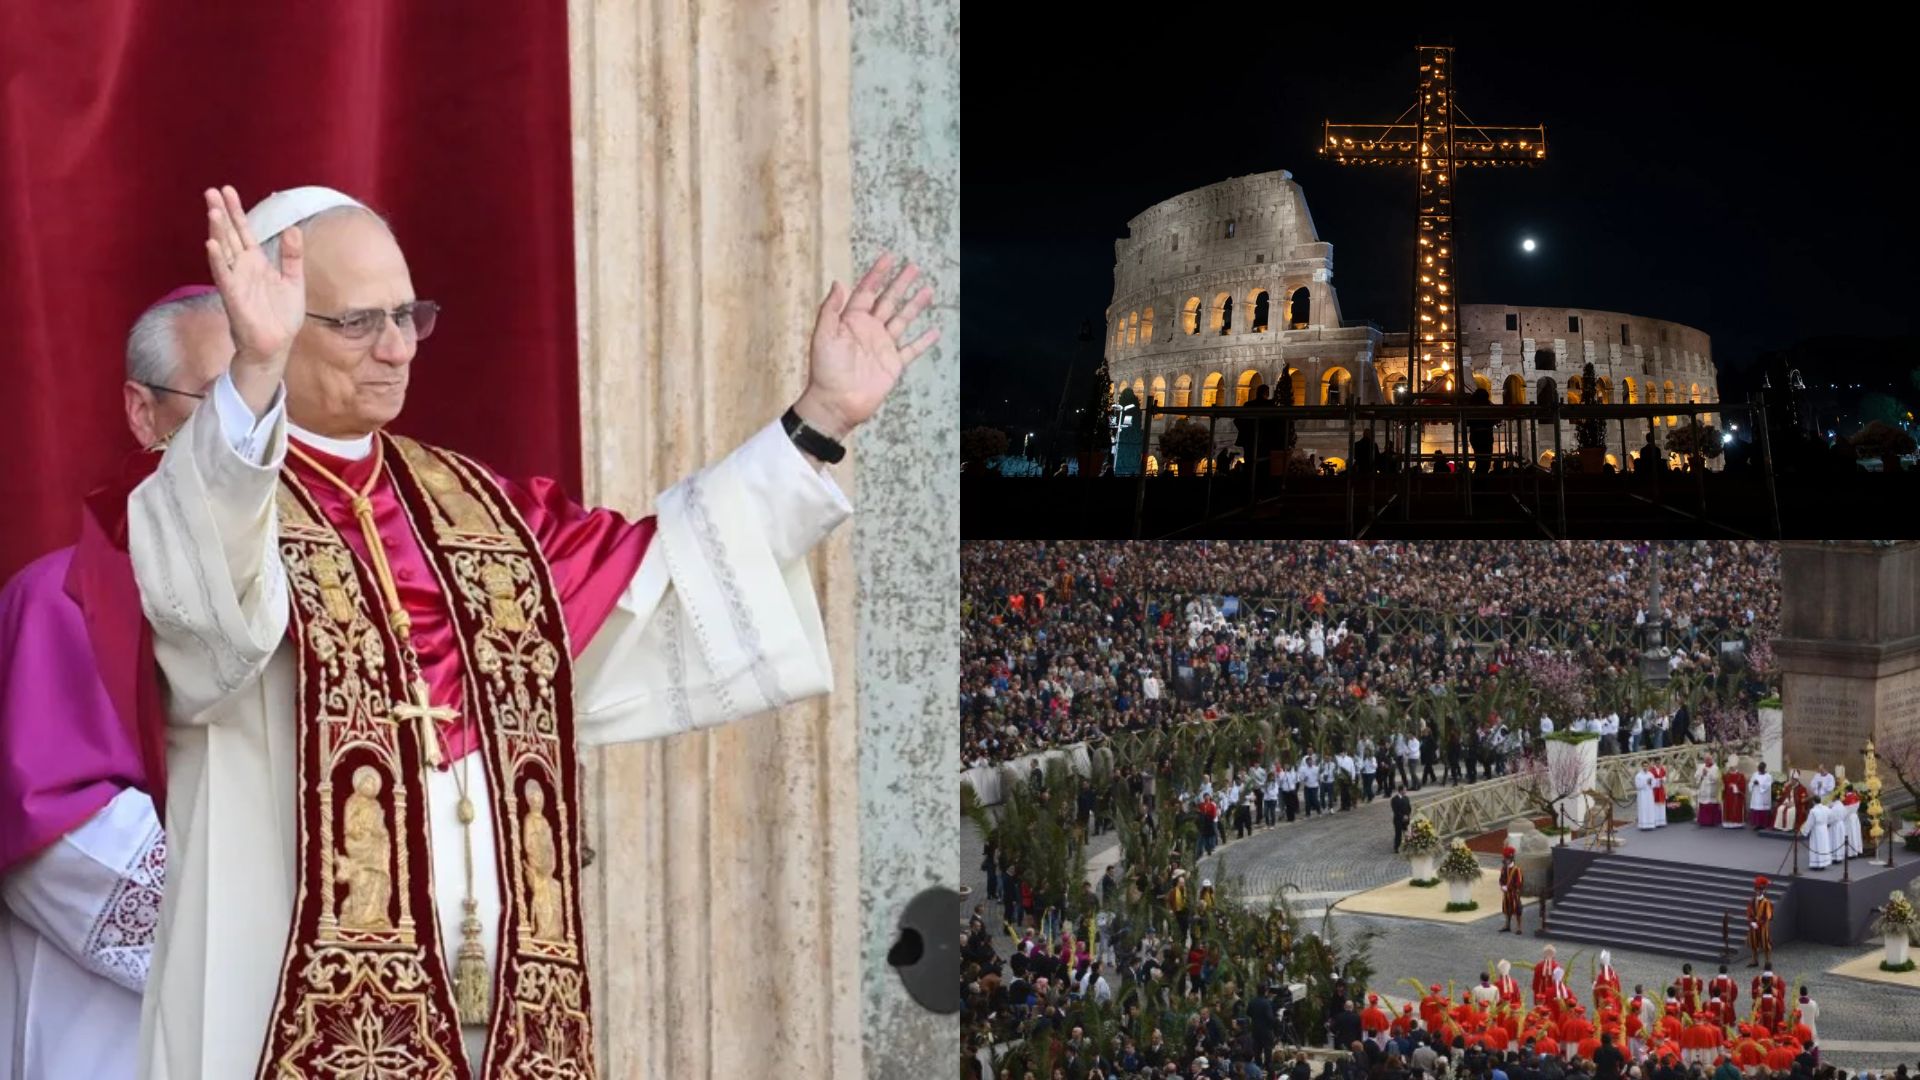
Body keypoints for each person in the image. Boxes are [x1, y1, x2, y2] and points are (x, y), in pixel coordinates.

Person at [127, 186, 937, 1078]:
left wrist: (819, 422)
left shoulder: (482, 513)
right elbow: (205, 614)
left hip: (504, 1012)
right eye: (358, 323)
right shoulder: (216, 496)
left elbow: (659, 576)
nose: (397, 348)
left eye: (408, 315)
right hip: (283, 1009)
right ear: (278, 323)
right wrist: (251, 373)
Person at [0, 287, 232, 1080]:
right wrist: (264, 921)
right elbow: (56, 835)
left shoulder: (336, 600)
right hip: (107, 1034)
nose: (257, 437)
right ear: (144, 411)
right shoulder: (61, 600)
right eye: (225, 400)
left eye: (277, 404)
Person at [1498, 847, 1524, 934]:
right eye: (1505, 858)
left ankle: (1519, 927)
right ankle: (1507, 925)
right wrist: (1502, 886)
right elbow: (1501, 879)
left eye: (1507, 858)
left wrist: (1509, 887)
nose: (1505, 860)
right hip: (1506, 893)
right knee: (1506, 909)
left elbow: (1519, 882)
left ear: (1511, 858)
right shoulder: (1504, 869)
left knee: (1517, 910)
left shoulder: (1517, 869)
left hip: (1514, 894)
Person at [1695, 754, 1723, 827]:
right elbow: (1696, 777)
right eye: (1706, 759)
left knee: (1712, 804)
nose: (1707, 761)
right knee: (1703, 804)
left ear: (1711, 760)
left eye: (1709, 759)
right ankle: (1703, 821)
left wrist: (1708, 774)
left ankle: (1713, 821)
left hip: (1712, 788)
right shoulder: (1701, 767)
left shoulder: (1716, 768)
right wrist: (1702, 774)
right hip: (1704, 788)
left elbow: (1717, 779)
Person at [1720, 755, 1747, 830]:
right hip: (1728, 795)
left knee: (1736, 808)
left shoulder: (1740, 776)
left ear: (1736, 766)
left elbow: (1743, 786)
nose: (1732, 768)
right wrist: (1722, 786)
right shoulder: (1726, 775)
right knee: (1728, 807)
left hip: (1736, 796)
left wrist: (1735, 786)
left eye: (1733, 767)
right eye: (1731, 767)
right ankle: (1728, 822)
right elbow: (1722, 784)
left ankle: (1737, 823)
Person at [1633, 765, 1661, 831]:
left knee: (1650, 808)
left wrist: (1652, 782)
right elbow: (1638, 785)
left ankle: (1650, 824)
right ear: (1642, 767)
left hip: (1649, 794)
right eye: (1644, 766)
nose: (1645, 767)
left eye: (1646, 766)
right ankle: (1643, 825)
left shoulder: (1650, 774)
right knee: (1643, 808)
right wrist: (1646, 782)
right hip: (1642, 795)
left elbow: (1654, 783)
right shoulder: (1638, 775)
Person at [1748, 762, 1773, 830]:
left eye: (1761, 767)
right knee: (1756, 808)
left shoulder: (1768, 776)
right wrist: (1753, 783)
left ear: (1764, 768)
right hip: (1756, 795)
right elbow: (1750, 783)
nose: (1759, 769)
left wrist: (1760, 784)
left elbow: (1768, 785)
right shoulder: (1755, 774)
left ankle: (1764, 824)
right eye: (1759, 767)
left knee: (1763, 809)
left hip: (1763, 796)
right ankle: (1757, 824)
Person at [1390, 788, 1412, 854]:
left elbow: (1409, 808)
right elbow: (1395, 810)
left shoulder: (1406, 798)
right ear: (1401, 791)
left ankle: (1407, 846)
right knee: (1398, 834)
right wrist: (1403, 816)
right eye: (1405, 790)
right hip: (1398, 820)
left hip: (1406, 819)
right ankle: (1396, 847)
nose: (1406, 791)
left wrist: (1407, 815)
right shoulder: (1394, 799)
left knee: (1406, 833)